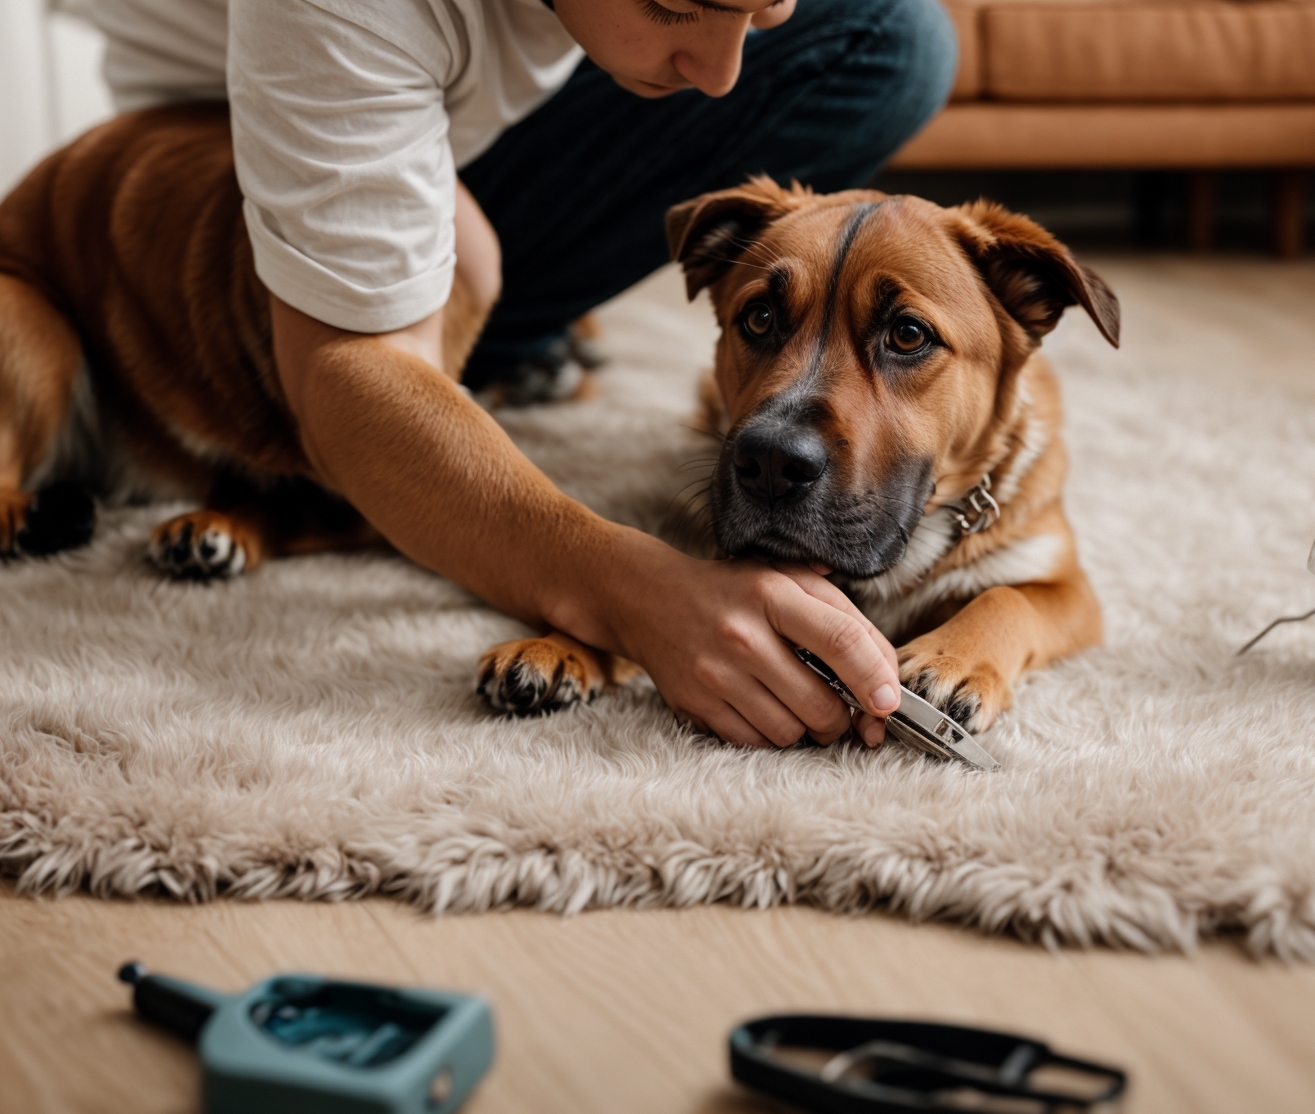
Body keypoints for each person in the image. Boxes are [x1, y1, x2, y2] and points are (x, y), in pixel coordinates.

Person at [84, 0, 957, 749]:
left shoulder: (701, 45)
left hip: (472, 113)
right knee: (454, 276)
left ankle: (489, 337)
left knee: (893, 38)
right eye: (673, 5)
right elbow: (344, 381)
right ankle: (456, 328)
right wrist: (630, 591)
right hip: (230, 141)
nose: (722, 71)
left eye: (762, 11)